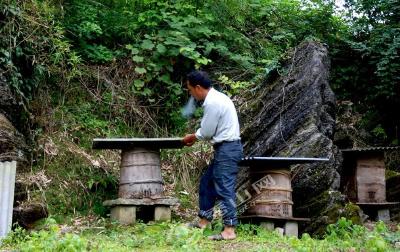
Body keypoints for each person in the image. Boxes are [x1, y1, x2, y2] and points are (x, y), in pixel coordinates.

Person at [182, 70, 243, 240]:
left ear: (198, 87)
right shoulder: (217, 98)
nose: (191, 94)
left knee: (224, 188)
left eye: (190, 90)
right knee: (207, 183)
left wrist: (192, 137)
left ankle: (229, 230)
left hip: (228, 149)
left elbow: (207, 132)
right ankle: (204, 221)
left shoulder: (213, 102)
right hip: (225, 148)